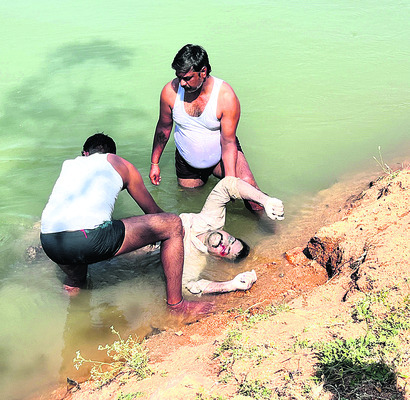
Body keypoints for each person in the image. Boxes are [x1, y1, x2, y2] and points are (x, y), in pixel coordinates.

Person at [40, 133, 211, 316]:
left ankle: (76, 316)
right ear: (112, 154)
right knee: (172, 225)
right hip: (88, 238)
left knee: (77, 278)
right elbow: (152, 212)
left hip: (50, 241)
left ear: (85, 153)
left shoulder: (69, 165)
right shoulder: (121, 164)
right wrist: (184, 225)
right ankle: (177, 306)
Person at [149, 44, 262, 211]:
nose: (181, 83)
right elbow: (163, 129)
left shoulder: (225, 96)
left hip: (220, 158)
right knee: (193, 205)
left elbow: (228, 141)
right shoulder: (170, 92)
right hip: (187, 163)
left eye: (187, 78)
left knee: (248, 187)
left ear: (203, 72)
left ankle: (267, 229)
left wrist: (229, 182)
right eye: (179, 77)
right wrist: (154, 163)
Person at [176, 176, 284, 295]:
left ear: (217, 257)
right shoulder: (213, 220)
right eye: (231, 240)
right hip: (157, 221)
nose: (224, 243)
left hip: (155, 246)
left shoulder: (194, 262)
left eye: (226, 250)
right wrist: (266, 200)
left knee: (172, 224)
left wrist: (231, 285)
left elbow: (186, 288)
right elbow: (226, 185)